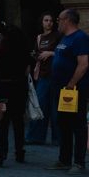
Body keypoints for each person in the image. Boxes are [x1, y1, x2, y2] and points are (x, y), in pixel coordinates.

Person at [51, 8, 89, 172]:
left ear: (67, 20)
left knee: (78, 124)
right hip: (61, 89)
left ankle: (79, 162)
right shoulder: (64, 39)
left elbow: (83, 64)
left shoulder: (80, 38)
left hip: (75, 89)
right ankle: (64, 159)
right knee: (63, 124)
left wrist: (71, 83)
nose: (57, 22)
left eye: (59, 19)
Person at [0, 20, 31, 165]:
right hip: (19, 86)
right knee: (18, 121)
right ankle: (20, 151)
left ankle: (2, 153)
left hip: (3, 86)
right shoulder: (23, 50)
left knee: (3, 121)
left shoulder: (0, 52)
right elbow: (27, 69)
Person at [30, 12, 61, 147]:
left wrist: (50, 53)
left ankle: (58, 138)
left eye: (51, 21)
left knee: (56, 109)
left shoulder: (58, 36)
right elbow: (36, 53)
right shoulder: (39, 38)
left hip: (55, 76)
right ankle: (36, 137)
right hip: (43, 75)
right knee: (40, 106)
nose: (49, 23)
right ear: (41, 22)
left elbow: (63, 52)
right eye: (46, 20)